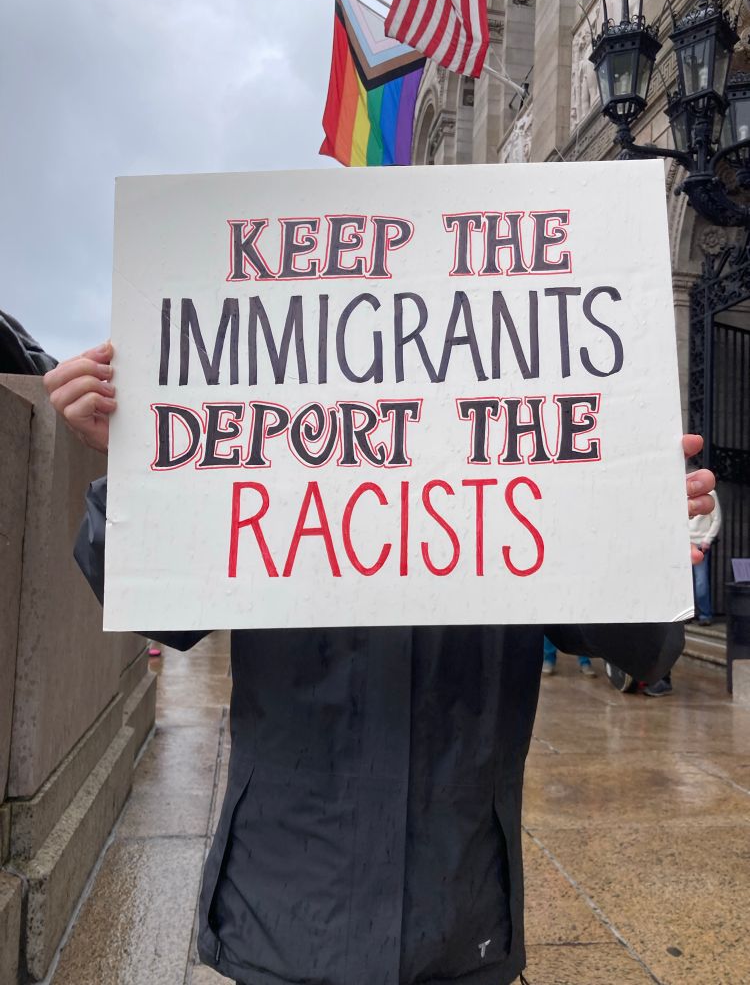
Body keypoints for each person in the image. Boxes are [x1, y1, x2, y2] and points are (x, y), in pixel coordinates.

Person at [43, 343, 715, 985]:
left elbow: (645, 648)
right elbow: (158, 611)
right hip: (283, 908)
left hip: (457, 911)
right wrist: (141, 469)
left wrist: (636, 537)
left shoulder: (518, 466)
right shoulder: (271, 453)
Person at [690, 488, 721, 626]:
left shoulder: (710, 493)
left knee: (700, 581)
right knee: (685, 583)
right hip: (683, 543)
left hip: (699, 544)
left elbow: (716, 518)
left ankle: (704, 614)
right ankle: (688, 614)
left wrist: (707, 539)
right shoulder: (678, 491)